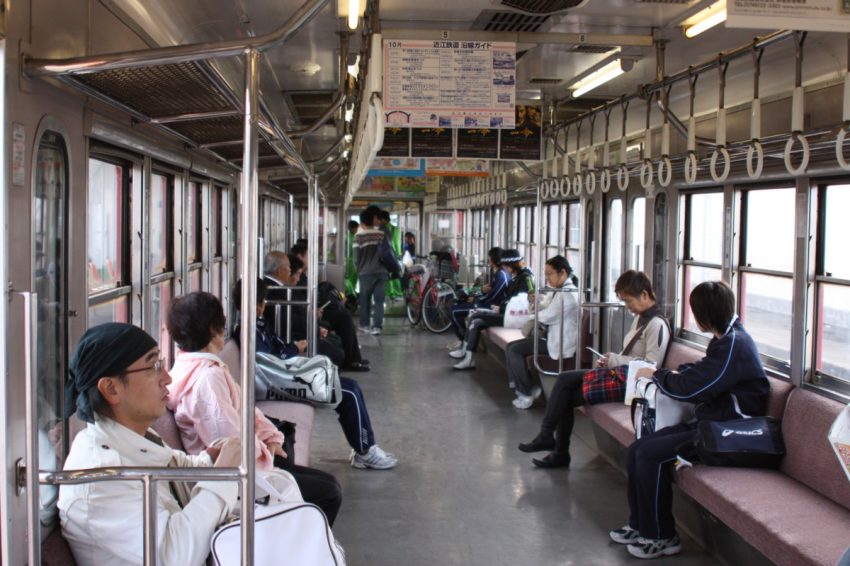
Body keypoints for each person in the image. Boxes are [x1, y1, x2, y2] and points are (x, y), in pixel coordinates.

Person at [59, 323, 242, 566]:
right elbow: (174, 556)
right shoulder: (102, 476)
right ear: (111, 388)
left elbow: (173, 468)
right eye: (154, 366)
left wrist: (210, 457)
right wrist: (223, 475)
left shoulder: (130, 438)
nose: (167, 378)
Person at [609, 280, 769, 559]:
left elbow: (693, 388)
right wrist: (681, 372)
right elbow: (707, 374)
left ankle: (661, 536)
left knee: (649, 454)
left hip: (729, 433)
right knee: (638, 448)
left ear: (705, 315)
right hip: (711, 423)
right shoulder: (725, 339)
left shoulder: (734, 344)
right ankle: (641, 525)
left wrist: (659, 375)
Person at [165, 292, 343, 524]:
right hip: (239, 479)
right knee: (328, 494)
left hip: (254, 456)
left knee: (328, 484)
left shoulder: (199, 368)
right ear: (212, 328)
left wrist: (273, 438)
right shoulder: (207, 379)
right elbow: (230, 445)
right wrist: (267, 449)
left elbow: (248, 412)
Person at [234, 279, 398, 470]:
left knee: (351, 386)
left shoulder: (257, 325)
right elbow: (269, 363)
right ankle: (365, 451)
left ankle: (365, 446)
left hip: (281, 376)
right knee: (349, 393)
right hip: (277, 384)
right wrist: (295, 349)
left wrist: (294, 349)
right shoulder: (249, 331)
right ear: (258, 303)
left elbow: (276, 353)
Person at [519, 270, 670, 468]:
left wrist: (615, 360)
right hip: (623, 374)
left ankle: (557, 449)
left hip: (633, 385)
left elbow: (651, 366)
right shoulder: (641, 318)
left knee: (565, 397)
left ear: (644, 294)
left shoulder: (656, 325)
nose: (628, 307)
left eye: (629, 301)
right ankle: (548, 437)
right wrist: (612, 360)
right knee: (565, 379)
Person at [504, 256, 579, 409]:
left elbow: (548, 316)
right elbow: (545, 307)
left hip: (561, 343)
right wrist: (536, 301)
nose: (547, 278)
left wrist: (531, 315)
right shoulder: (558, 290)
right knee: (510, 346)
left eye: (550, 274)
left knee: (514, 351)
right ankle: (521, 387)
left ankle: (527, 391)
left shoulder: (569, 295)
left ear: (562, 272)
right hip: (550, 336)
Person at [291, 243, 369, 371]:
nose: (312, 259)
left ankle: (354, 358)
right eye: (309, 256)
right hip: (306, 314)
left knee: (342, 313)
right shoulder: (296, 275)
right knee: (343, 317)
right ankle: (352, 360)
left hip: (312, 310)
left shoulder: (303, 274)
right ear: (300, 256)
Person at [453, 249, 535, 370]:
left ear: (512, 265)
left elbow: (519, 303)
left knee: (475, 320)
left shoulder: (525, 279)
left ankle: (468, 356)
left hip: (515, 317)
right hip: (506, 312)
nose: (505, 269)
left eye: (506, 266)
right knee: (475, 318)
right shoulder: (517, 276)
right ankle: (467, 354)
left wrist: (500, 308)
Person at [262, 251, 346, 367]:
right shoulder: (275, 291)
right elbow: (290, 321)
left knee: (335, 341)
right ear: (279, 271)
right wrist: (314, 330)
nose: (290, 272)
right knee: (335, 353)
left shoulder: (275, 287)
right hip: (288, 339)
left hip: (291, 333)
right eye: (289, 269)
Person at [449, 247, 508, 350]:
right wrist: (472, 292)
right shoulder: (497, 273)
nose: (488, 260)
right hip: (485, 302)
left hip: (491, 306)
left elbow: (493, 295)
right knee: (455, 303)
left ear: (493, 259)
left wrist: (476, 299)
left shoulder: (502, 275)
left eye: (489, 257)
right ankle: (462, 340)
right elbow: (486, 290)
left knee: (454, 311)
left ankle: (464, 342)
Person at [354, 207, 396, 335]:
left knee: (365, 300)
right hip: (382, 272)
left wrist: (359, 270)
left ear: (361, 223)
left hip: (365, 273)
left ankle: (365, 325)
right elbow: (389, 252)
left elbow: (356, 258)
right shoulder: (381, 234)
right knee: (379, 301)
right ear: (373, 220)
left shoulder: (358, 237)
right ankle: (377, 327)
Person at [345, 220, 360, 297]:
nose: (357, 230)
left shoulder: (353, 237)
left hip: (353, 263)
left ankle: (352, 295)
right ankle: (350, 296)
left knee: (353, 281)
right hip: (350, 264)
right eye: (356, 228)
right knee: (350, 281)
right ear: (352, 228)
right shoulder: (347, 238)